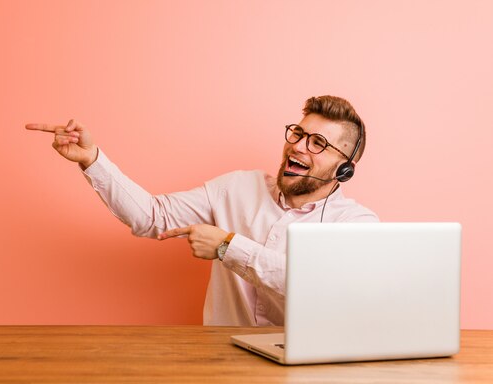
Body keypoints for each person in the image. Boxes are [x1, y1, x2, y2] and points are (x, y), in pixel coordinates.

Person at [25, 95, 379, 326]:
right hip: (220, 360)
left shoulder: (355, 224)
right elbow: (152, 216)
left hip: (303, 370)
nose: (298, 146)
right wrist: (92, 160)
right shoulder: (238, 187)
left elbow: (323, 284)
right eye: (298, 133)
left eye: (318, 143)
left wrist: (228, 246)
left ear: (343, 167)